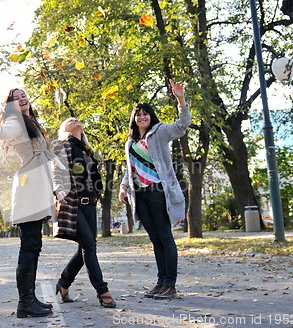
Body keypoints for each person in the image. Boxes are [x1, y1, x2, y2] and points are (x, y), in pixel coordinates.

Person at [0, 88, 56, 318]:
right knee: (29, 245)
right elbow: (3, 132)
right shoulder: (16, 121)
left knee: (34, 245)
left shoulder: (30, 121)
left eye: (24, 94)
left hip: (37, 183)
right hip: (29, 186)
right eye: (16, 97)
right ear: (11, 105)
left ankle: (29, 299)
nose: (22, 98)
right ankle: (25, 301)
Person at [118, 79, 191, 300]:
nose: (142, 117)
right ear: (134, 118)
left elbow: (181, 125)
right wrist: (123, 186)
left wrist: (180, 99)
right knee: (155, 240)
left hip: (158, 191)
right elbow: (130, 167)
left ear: (151, 117)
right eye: (138, 114)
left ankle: (171, 284)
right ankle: (161, 282)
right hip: (139, 194)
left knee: (165, 237)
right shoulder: (130, 141)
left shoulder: (159, 132)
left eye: (145, 114)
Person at [52, 117, 116, 308]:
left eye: (76, 118)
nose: (74, 119)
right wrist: (58, 189)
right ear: (65, 129)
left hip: (90, 203)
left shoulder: (88, 150)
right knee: (89, 245)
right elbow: (56, 171)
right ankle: (102, 291)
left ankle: (63, 283)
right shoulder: (61, 146)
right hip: (73, 203)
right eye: (69, 120)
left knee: (85, 249)